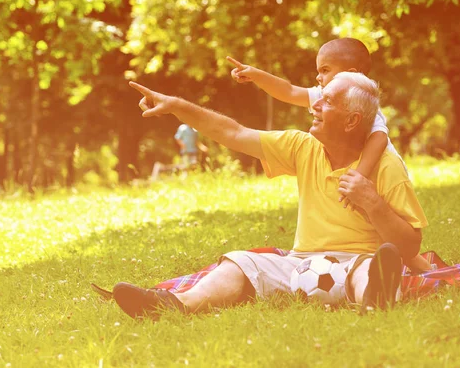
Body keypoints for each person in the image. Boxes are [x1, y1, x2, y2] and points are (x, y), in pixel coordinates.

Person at [112, 72, 429, 318]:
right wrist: (177, 107)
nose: (315, 105)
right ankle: (173, 305)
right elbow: (233, 133)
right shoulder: (302, 147)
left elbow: (410, 245)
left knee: (366, 271)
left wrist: (372, 202)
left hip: (358, 262)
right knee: (241, 262)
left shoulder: (387, 167)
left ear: (351, 121)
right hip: (300, 265)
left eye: (327, 101)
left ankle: (376, 296)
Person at [227, 38, 431, 274]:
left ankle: (418, 265)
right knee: (369, 225)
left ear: (351, 73)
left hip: (374, 171)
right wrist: (257, 75)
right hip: (354, 173)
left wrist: (358, 176)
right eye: (318, 71)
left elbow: (379, 139)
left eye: (325, 70)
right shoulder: (324, 95)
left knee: (378, 225)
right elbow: (288, 91)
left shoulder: (362, 103)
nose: (318, 77)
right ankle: (414, 263)